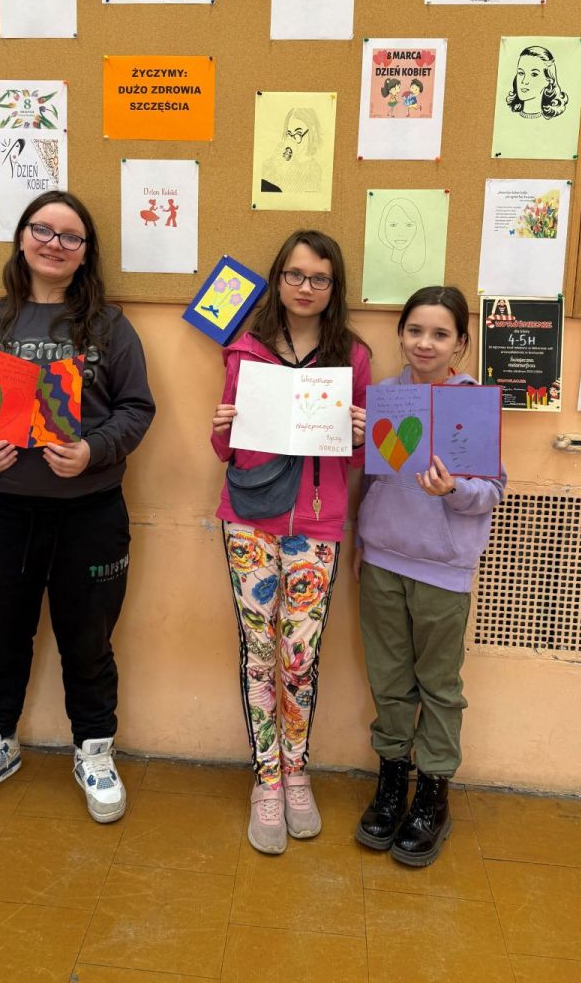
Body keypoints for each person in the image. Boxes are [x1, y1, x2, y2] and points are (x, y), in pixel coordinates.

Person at [0, 190, 155, 822]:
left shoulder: (109, 327)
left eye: (70, 236)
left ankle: (94, 750)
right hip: (1, 512)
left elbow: (137, 409)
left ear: (86, 253)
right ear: (22, 237)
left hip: (90, 512)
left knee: (88, 642)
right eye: (43, 230)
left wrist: (93, 451)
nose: (55, 244)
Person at [211, 231, 371, 855]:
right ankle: (267, 778)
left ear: (334, 287)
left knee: (298, 656)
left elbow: (358, 457)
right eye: (295, 275)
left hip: (317, 523)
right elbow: (225, 449)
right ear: (277, 278)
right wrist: (221, 428)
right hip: (249, 519)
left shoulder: (352, 357)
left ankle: (297, 770)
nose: (306, 288)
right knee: (259, 651)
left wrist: (360, 434)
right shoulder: (244, 349)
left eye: (319, 278)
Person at [354, 286, 505, 867]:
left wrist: (454, 490)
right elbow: (370, 478)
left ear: (460, 344)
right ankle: (393, 778)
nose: (425, 343)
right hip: (382, 562)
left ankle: (434, 792)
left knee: (439, 685)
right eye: (415, 330)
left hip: (443, 569)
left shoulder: (474, 405)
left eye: (440, 334)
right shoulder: (385, 398)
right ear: (400, 335)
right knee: (389, 679)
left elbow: (492, 490)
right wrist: (361, 542)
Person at [505, 45, 568, 119]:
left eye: (534, 74)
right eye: (521, 73)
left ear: (548, 80)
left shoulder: (557, 121)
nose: (524, 81)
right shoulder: (507, 117)